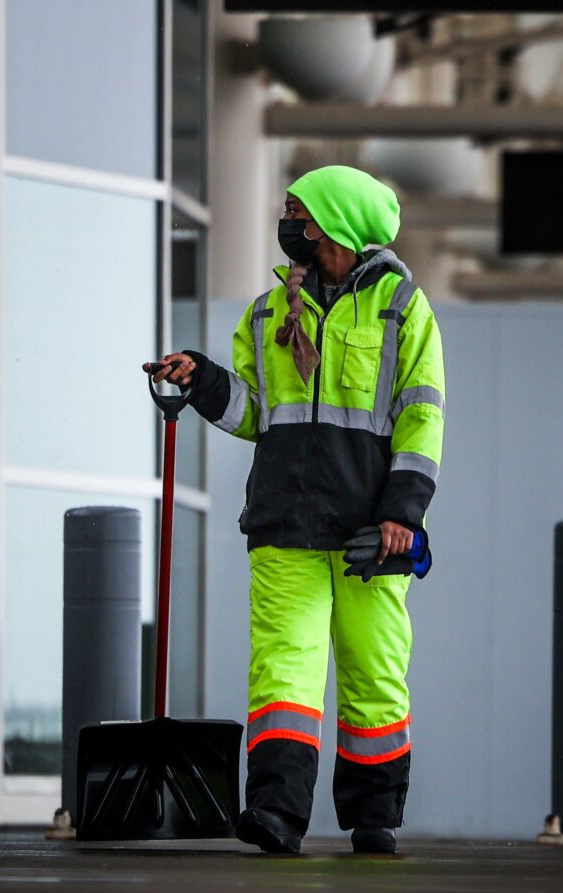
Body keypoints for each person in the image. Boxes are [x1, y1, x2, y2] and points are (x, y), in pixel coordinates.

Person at [147, 165, 445, 855]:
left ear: (336, 223)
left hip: (373, 532)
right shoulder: (265, 313)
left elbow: (421, 420)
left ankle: (375, 818)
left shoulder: (403, 308)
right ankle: (276, 814)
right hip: (285, 524)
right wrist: (204, 380)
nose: (289, 224)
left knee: (373, 672)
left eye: (298, 212)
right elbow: (256, 414)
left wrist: (404, 512)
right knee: (283, 672)